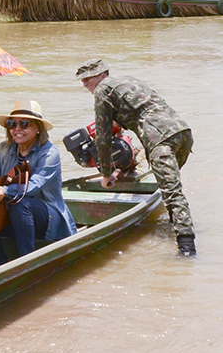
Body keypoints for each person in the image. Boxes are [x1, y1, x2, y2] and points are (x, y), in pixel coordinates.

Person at [76, 58, 196, 256]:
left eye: (89, 78)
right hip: (182, 132)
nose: (85, 83)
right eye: (82, 80)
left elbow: (103, 139)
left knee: (173, 193)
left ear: (102, 74)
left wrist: (106, 174)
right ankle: (174, 226)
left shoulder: (102, 90)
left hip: (159, 138)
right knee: (170, 189)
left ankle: (187, 251)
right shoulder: (129, 81)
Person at [0, 100, 77, 266]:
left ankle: (26, 262)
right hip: (12, 214)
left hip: (46, 216)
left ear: (37, 129)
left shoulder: (50, 153)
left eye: (24, 124)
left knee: (21, 204)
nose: (17, 129)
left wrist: (6, 191)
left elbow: (35, 184)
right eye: (12, 124)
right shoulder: (3, 149)